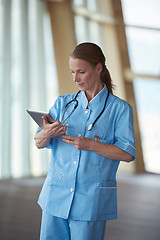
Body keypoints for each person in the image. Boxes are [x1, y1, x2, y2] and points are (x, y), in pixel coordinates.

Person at [34, 42, 136, 240]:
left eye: (81, 72)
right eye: (72, 72)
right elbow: (38, 142)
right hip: (55, 196)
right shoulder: (63, 103)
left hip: (90, 201)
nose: (75, 78)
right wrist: (45, 134)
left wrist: (91, 145)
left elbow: (127, 154)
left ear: (99, 68)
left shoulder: (119, 109)